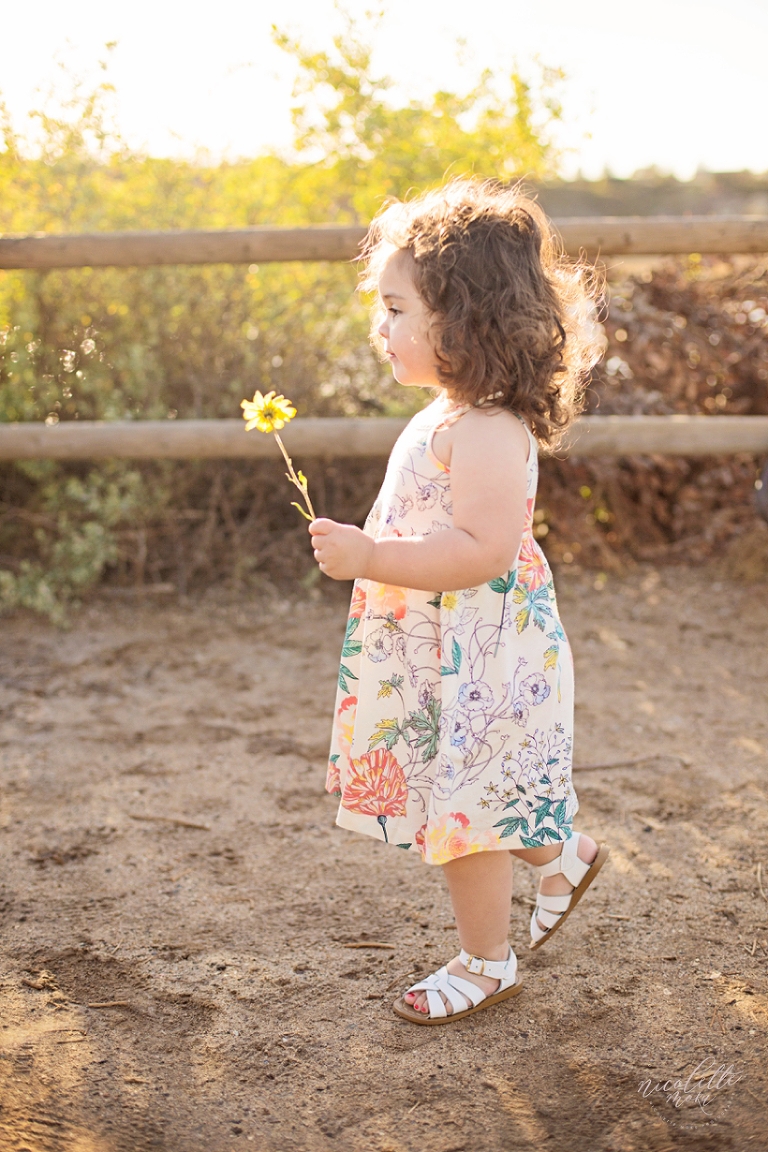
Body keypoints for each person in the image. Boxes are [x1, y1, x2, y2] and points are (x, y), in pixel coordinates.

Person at [309, 178, 610, 1025]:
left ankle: (486, 962)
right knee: (484, 784)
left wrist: (372, 556)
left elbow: (481, 552)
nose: (382, 327)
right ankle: (563, 857)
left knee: (465, 809)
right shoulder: (451, 412)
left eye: (399, 309)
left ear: (467, 317)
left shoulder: (487, 429)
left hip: (480, 651)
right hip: (441, 645)